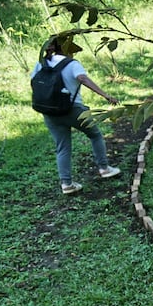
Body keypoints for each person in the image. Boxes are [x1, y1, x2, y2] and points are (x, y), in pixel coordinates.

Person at [32, 34, 122, 195]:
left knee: (62, 146)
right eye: (72, 50)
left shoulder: (40, 64)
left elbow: (34, 82)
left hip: (49, 112)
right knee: (95, 134)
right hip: (73, 109)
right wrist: (106, 95)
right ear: (66, 49)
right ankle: (104, 168)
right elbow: (83, 79)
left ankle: (66, 184)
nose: (73, 54)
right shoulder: (72, 64)